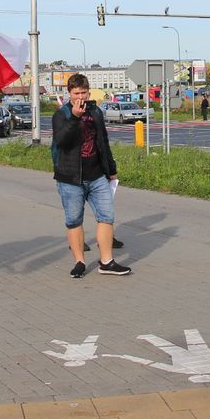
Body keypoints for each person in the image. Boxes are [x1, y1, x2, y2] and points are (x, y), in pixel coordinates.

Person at [51, 73, 131, 278]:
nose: (80, 97)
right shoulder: (61, 115)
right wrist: (75, 117)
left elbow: (103, 141)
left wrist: (111, 170)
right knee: (74, 220)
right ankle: (79, 262)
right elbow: (61, 141)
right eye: (76, 93)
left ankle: (107, 261)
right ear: (69, 93)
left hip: (97, 175)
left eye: (84, 93)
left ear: (88, 92)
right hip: (70, 178)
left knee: (106, 216)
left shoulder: (95, 112)